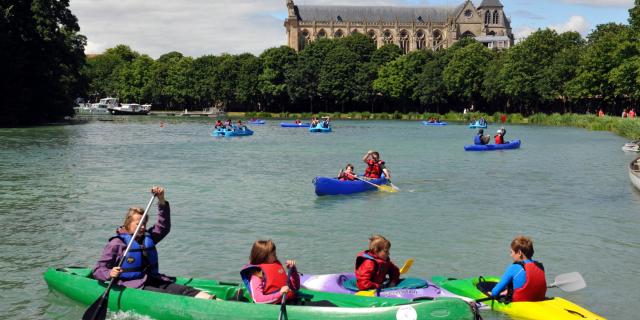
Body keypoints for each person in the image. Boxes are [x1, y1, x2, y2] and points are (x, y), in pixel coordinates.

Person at [92, 187, 214, 299]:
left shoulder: (148, 237)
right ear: (128, 223)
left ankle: (217, 303)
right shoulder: (116, 243)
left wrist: (161, 200)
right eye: (138, 224)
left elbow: (163, 226)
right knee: (166, 296)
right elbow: (98, 270)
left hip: (153, 279)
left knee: (186, 290)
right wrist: (110, 273)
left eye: (144, 223)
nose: (142, 227)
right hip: (133, 285)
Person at [486, 236, 546, 302]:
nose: (510, 255)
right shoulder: (540, 266)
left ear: (519, 253)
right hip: (539, 300)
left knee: (490, 292)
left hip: (519, 303)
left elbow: (495, 292)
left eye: (511, 252)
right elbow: (530, 285)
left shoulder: (514, 268)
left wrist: (493, 294)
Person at [240, 240, 300, 304]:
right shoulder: (257, 274)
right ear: (263, 256)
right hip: (275, 306)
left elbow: (295, 287)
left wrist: (293, 270)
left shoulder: (276, 265)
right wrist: (280, 294)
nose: (276, 256)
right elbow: (258, 299)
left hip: (289, 301)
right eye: (273, 254)